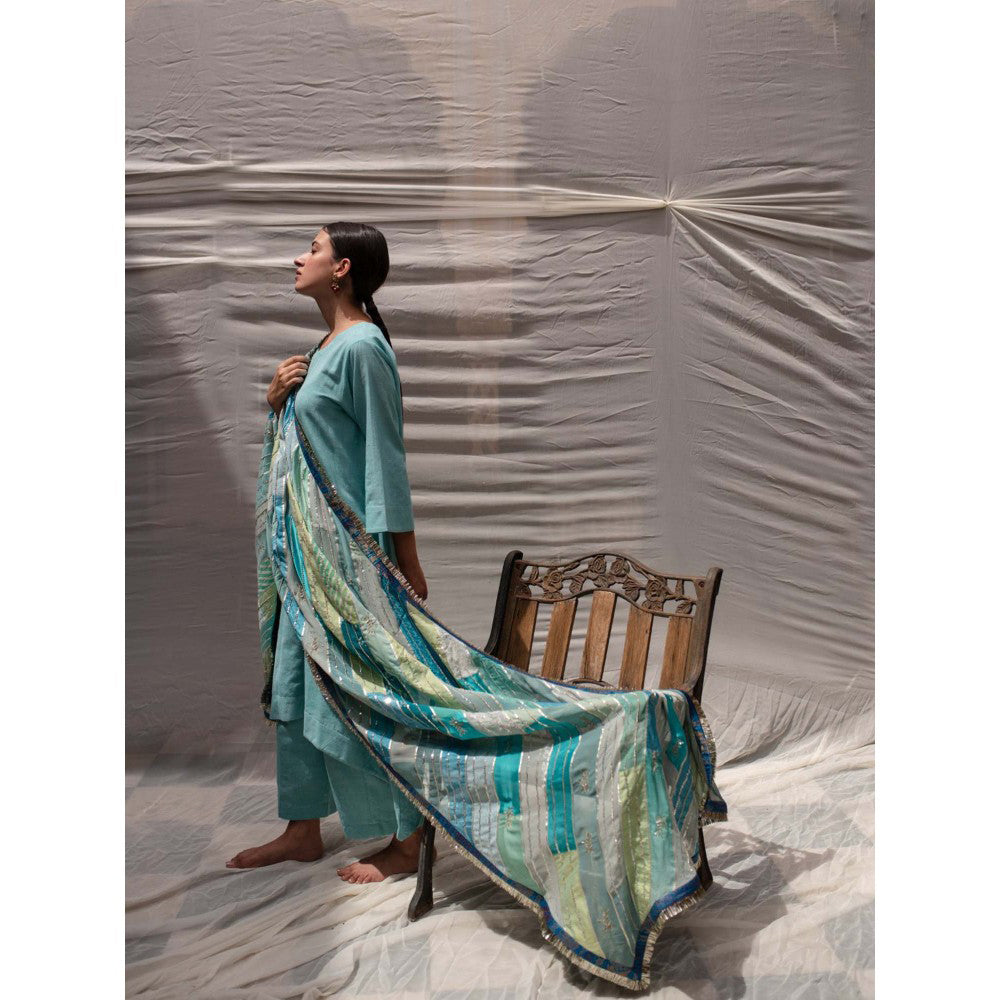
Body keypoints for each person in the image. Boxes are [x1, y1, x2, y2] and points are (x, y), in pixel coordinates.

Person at [227, 222, 435, 883]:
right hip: (302, 553)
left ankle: (408, 838)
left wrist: (404, 560)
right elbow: (307, 442)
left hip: (346, 556)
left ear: (342, 268)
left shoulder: (364, 348)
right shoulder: (323, 348)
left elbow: (384, 458)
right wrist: (276, 404)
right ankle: (302, 829)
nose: (299, 258)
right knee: (295, 683)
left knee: (369, 686)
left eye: (313, 249)